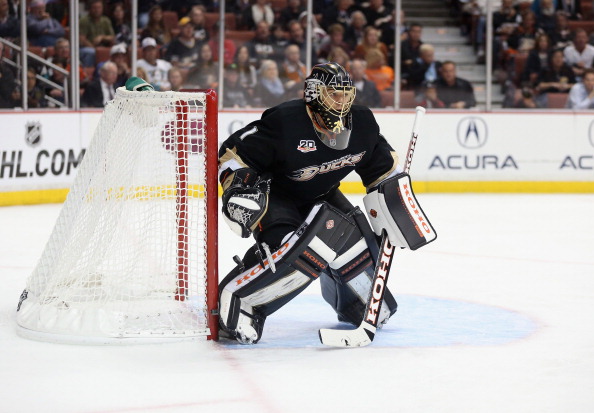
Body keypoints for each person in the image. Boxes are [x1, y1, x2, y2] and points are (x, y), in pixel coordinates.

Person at [216, 62, 399, 344]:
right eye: (332, 93)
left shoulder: (362, 121)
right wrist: (240, 184)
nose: (341, 100)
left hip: (322, 194)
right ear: (313, 93)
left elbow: (382, 170)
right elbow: (235, 153)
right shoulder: (286, 121)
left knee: (357, 248)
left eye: (344, 94)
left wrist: (393, 205)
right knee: (293, 252)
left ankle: (357, 305)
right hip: (279, 196)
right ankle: (241, 304)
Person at [79, 0, 116, 67]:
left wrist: (102, 37)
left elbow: (112, 37)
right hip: (87, 48)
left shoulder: (106, 20)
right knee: (91, 52)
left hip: (103, 46)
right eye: (94, 8)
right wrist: (95, 49)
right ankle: (88, 71)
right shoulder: (84, 20)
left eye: (99, 8)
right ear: (90, 9)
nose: (97, 10)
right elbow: (82, 40)